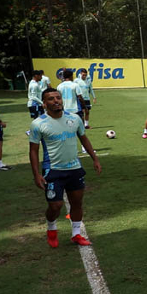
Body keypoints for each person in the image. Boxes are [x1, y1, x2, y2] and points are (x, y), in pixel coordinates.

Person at [29, 87, 102, 248]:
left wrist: (95, 159)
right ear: (44, 104)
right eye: (51, 99)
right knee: (55, 206)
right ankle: (51, 228)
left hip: (74, 168)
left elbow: (84, 139)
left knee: (77, 203)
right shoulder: (38, 124)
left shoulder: (74, 119)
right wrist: (36, 174)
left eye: (58, 98)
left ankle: (76, 234)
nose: (56, 101)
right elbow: (33, 151)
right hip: (52, 170)